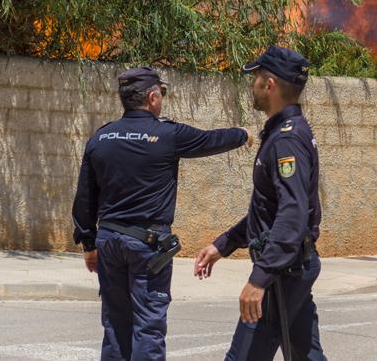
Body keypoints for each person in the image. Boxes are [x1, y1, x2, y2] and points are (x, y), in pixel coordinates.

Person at [72, 67, 250, 361]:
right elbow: (210, 140)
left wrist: (88, 245)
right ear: (153, 97)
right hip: (147, 246)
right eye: (162, 94)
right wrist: (242, 135)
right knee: (148, 328)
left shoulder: (100, 138)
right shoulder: (167, 134)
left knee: (115, 325)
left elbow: (84, 199)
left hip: (109, 243)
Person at [193, 46, 327, 361]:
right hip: (292, 265)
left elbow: (292, 215)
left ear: (270, 85)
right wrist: (223, 244)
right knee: (306, 356)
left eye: (255, 78)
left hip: (284, 273)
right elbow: (268, 209)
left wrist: (260, 278)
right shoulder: (284, 133)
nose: (251, 84)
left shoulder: (286, 140)